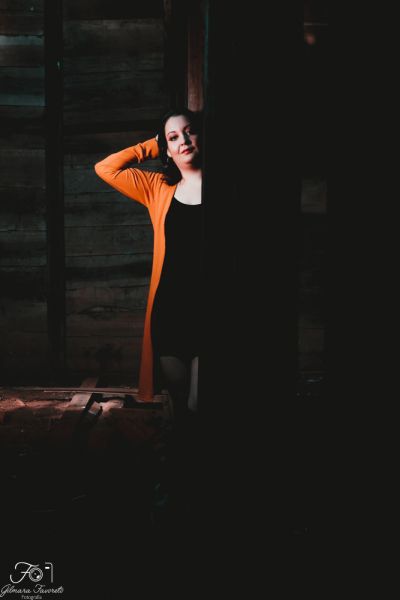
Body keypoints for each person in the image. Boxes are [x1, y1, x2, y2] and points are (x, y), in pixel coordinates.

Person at [94, 108, 202, 420]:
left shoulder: (230, 188)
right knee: (180, 405)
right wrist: (153, 145)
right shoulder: (157, 187)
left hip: (210, 309)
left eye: (190, 132)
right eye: (173, 137)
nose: (184, 141)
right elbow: (105, 168)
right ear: (167, 149)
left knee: (199, 403)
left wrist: (168, 140)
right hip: (169, 311)